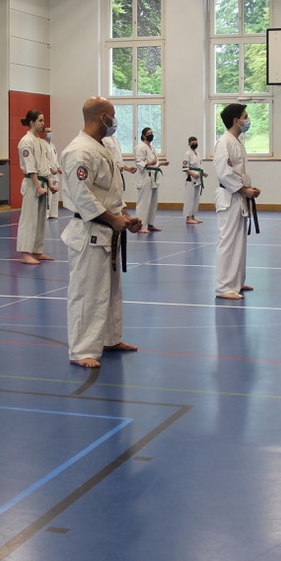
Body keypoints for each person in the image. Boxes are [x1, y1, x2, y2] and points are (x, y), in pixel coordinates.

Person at [59, 97, 143, 368]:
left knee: (110, 292)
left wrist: (125, 217)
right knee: (87, 293)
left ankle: (110, 338)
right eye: (113, 115)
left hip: (108, 231)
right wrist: (113, 219)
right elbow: (82, 197)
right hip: (89, 233)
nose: (115, 120)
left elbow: (110, 192)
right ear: (102, 117)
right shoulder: (78, 151)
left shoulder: (101, 146)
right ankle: (81, 350)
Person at [213, 103, 261, 300]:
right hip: (229, 196)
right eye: (245, 116)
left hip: (239, 196)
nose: (247, 120)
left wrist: (249, 188)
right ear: (236, 120)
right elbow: (224, 173)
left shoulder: (237, 141)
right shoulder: (224, 142)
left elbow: (239, 171)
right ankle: (224, 287)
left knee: (239, 242)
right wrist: (243, 190)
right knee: (228, 242)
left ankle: (236, 281)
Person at [16, 109, 56, 264]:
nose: (43, 123)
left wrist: (50, 183)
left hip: (42, 182)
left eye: (43, 120)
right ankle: (25, 253)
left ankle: (37, 251)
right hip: (32, 184)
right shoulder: (26, 141)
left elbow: (44, 165)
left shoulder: (39, 141)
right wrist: (38, 186)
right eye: (40, 120)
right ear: (32, 122)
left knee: (40, 220)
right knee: (29, 220)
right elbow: (30, 166)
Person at [133, 126, 168, 233]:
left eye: (152, 133)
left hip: (153, 177)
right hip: (145, 177)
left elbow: (155, 162)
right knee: (143, 202)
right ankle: (140, 226)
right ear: (143, 136)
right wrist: (150, 163)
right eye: (148, 133)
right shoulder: (140, 147)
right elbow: (139, 162)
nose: (151, 135)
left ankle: (150, 224)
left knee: (153, 202)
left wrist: (161, 163)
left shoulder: (152, 147)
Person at [182, 135, 205, 224]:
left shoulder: (197, 154)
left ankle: (193, 216)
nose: (195, 144)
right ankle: (188, 217)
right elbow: (185, 168)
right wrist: (193, 174)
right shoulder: (187, 154)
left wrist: (203, 173)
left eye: (196, 143)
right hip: (190, 179)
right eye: (193, 143)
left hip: (197, 178)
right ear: (189, 144)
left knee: (196, 198)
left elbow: (199, 166)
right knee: (190, 198)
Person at [45, 128, 63, 219]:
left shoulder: (52, 145)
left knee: (55, 195)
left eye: (51, 131)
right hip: (48, 173)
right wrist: (50, 169)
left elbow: (55, 159)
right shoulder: (43, 145)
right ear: (44, 133)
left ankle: (53, 214)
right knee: (49, 195)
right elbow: (43, 160)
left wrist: (58, 167)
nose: (50, 133)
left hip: (55, 174)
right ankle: (46, 214)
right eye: (48, 132)